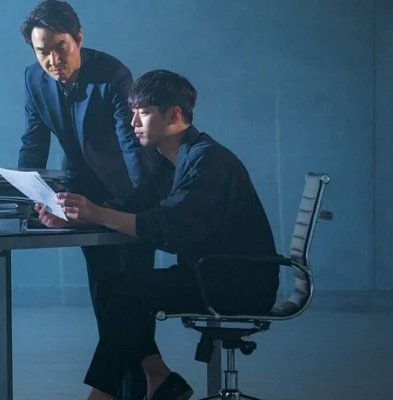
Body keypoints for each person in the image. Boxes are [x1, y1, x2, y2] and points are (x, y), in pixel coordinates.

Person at [38, 69, 281, 400]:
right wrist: (77, 218)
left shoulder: (208, 161)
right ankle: (157, 376)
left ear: (174, 115)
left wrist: (98, 214)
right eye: (133, 112)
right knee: (119, 287)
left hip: (239, 283)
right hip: (208, 273)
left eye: (144, 112)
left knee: (130, 292)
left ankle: (110, 393)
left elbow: (169, 227)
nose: (133, 122)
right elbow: (137, 205)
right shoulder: (172, 160)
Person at [18, 1, 157, 398]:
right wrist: (28, 198)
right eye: (42, 51)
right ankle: (147, 381)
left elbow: (132, 148)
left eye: (60, 47)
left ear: (78, 38)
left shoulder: (113, 75)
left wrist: (136, 208)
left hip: (132, 194)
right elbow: (33, 144)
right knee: (105, 291)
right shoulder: (33, 79)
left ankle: (131, 386)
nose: (52, 60)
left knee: (133, 290)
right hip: (81, 194)